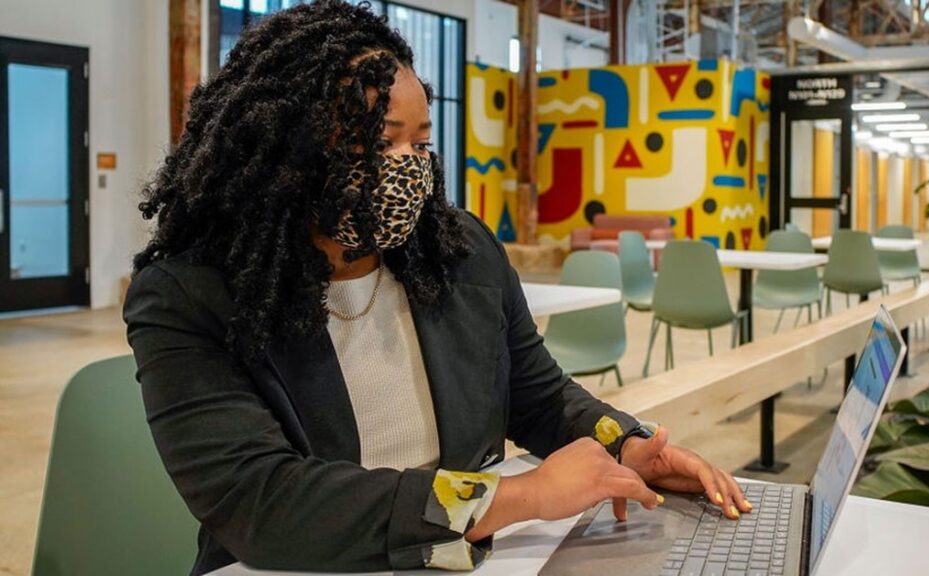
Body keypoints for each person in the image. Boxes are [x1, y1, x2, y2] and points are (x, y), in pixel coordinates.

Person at [124, 2, 750, 575]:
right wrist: (515, 497)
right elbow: (262, 501)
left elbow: (537, 395)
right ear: (287, 150)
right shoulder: (190, 295)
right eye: (378, 141)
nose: (407, 164)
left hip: (459, 559)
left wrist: (627, 445)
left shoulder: (459, 252)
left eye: (419, 141)